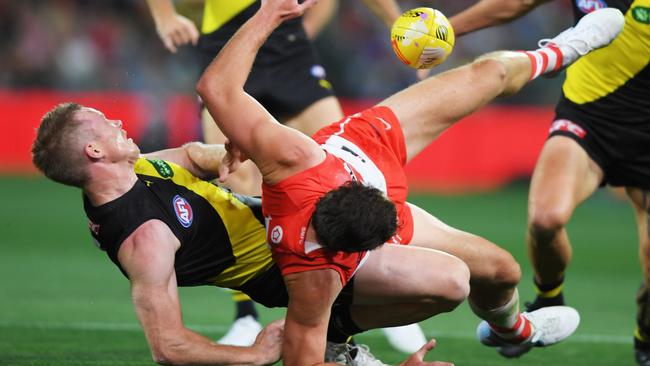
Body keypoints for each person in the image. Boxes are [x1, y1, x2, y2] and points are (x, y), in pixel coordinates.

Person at [197, 0, 624, 365]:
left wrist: (268, 12)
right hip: (364, 207)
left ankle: (565, 49)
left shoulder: (293, 160)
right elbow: (300, 359)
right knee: (497, 271)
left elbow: (215, 87)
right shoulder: (315, 273)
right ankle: (513, 331)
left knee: (487, 73)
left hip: (364, 142)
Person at [30, 102, 452, 366]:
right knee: (448, 284)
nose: (117, 120)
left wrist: (223, 155)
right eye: (104, 122)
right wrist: (251, 356)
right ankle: (326, 335)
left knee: (473, 270)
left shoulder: (132, 171)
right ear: (94, 151)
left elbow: (191, 156)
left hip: (285, 217)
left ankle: (329, 338)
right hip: (288, 262)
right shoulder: (143, 238)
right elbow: (168, 346)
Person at [144, 0, 428, 353]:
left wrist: (394, 24)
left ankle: (389, 276)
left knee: (347, 164)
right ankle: (244, 315)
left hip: (289, 47)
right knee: (233, 178)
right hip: (226, 42)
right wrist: (165, 15)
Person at [447, 0, 650, 362]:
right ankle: (548, 301)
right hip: (588, 121)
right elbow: (519, 2)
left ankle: (645, 334)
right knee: (545, 219)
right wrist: (449, 31)